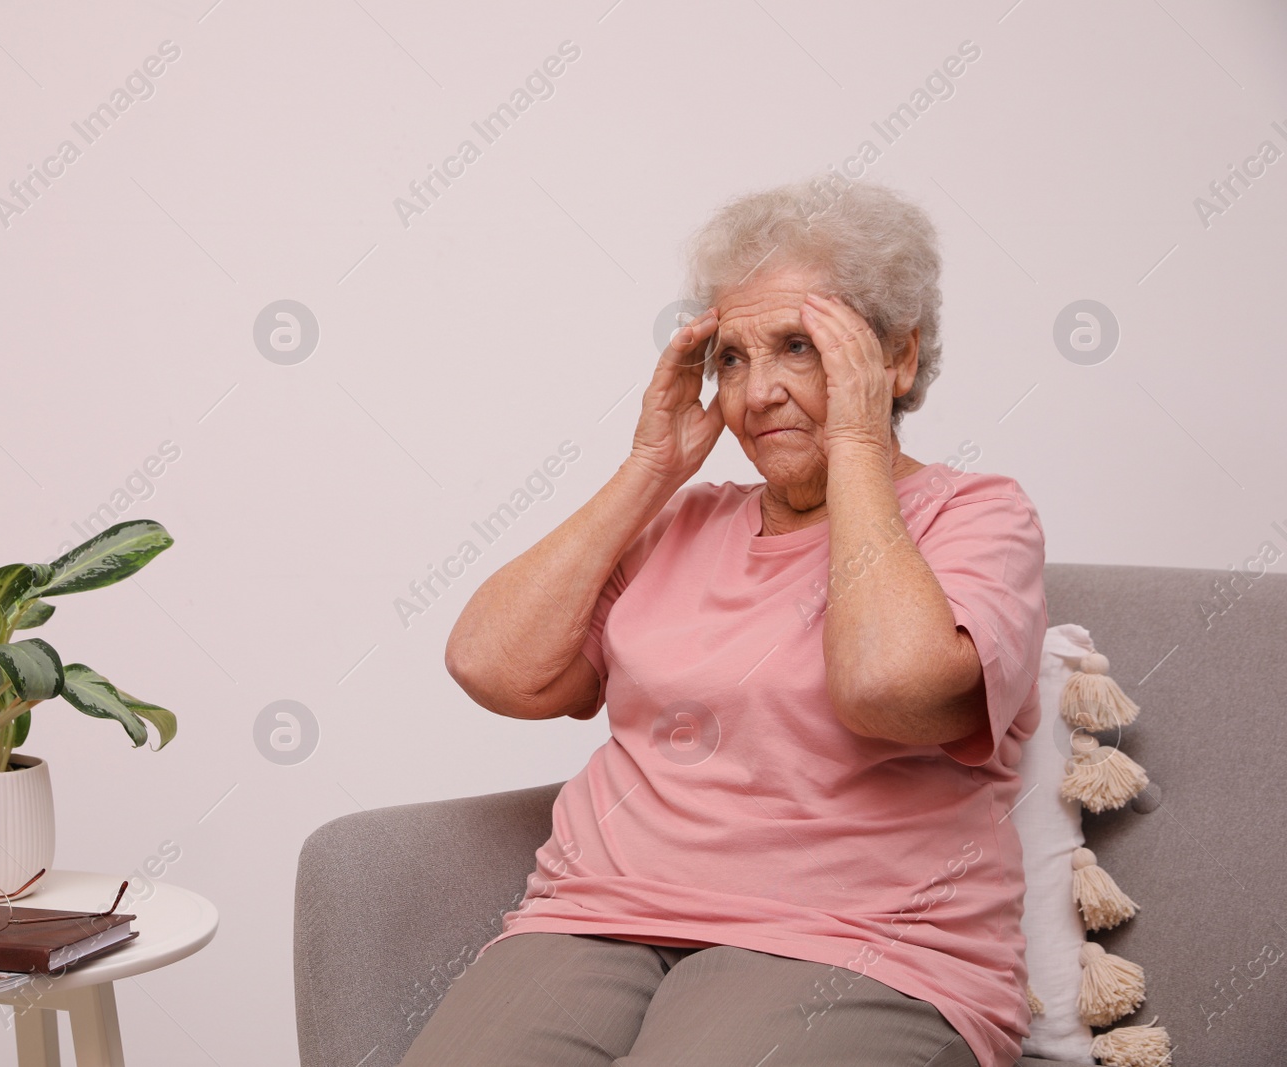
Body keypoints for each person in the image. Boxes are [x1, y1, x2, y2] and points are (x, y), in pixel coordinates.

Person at [409, 175, 1048, 1067]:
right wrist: (649, 468)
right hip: (600, 914)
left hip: (859, 941)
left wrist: (860, 444)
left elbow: (886, 688)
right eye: (733, 360)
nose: (757, 396)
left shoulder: (977, 515)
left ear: (896, 360)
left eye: (800, 346)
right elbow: (493, 667)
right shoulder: (685, 520)